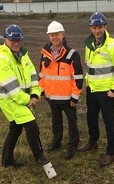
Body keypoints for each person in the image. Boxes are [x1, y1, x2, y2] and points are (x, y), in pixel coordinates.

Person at [0, 24, 49, 167]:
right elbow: (11, 88)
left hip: (23, 100)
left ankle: (7, 160)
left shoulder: (24, 56)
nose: (16, 43)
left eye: (19, 40)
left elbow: (34, 78)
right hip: (11, 101)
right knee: (31, 126)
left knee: (15, 129)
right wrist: (28, 101)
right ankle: (39, 157)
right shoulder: (1, 59)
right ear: (5, 40)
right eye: (13, 40)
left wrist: (35, 95)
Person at [78, 12, 114, 167]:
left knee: (108, 122)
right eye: (94, 27)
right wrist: (87, 82)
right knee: (91, 118)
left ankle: (110, 153)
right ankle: (93, 142)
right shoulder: (89, 44)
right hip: (92, 90)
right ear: (91, 28)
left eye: (100, 27)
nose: (97, 30)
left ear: (105, 26)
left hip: (106, 92)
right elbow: (89, 66)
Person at [39, 21, 83, 160]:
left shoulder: (72, 54)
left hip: (68, 98)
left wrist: (75, 97)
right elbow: (41, 74)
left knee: (72, 122)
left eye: (57, 34)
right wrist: (41, 91)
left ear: (63, 35)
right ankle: (56, 141)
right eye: (51, 35)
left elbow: (78, 78)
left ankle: (72, 145)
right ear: (49, 37)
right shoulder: (45, 54)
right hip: (51, 97)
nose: (54, 37)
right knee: (55, 121)